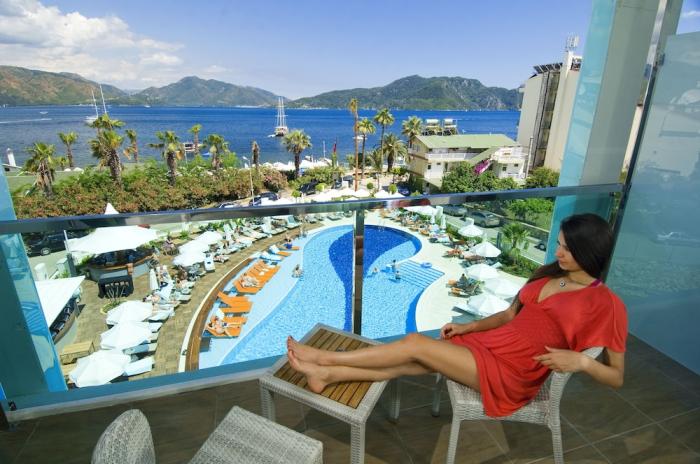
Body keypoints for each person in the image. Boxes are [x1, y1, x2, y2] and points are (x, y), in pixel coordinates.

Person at [286, 214, 627, 418]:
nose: (558, 252)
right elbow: (510, 314)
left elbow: (616, 377)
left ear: (589, 250)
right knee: (415, 360)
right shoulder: (550, 275)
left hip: (514, 373)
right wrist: (469, 327)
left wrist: (581, 362)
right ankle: (328, 375)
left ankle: (325, 358)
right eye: (560, 244)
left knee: (414, 343)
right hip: (491, 345)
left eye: (567, 247)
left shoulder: (605, 303)